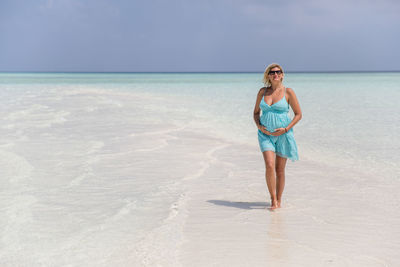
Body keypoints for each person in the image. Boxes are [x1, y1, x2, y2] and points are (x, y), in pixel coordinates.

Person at [253, 63, 302, 209]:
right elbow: (256, 113)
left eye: (278, 72)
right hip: (265, 135)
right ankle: (273, 200)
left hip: (283, 135)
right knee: (269, 165)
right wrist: (259, 126)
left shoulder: (289, 92)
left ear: (282, 75)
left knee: (279, 170)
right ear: (268, 75)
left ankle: (279, 199)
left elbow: (299, 114)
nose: (275, 74)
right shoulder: (262, 92)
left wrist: (286, 129)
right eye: (272, 72)